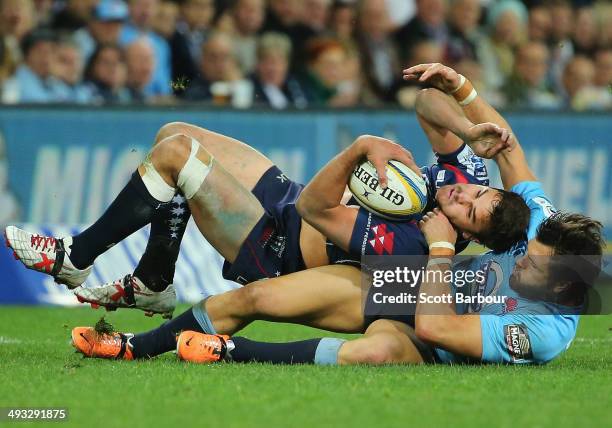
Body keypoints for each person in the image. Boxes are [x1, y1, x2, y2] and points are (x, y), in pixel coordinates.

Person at [71, 64, 603, 367]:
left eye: (534, 268)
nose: (522, 263)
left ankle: (233, 351)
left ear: (561, 289)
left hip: (427, 330)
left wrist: (441, 248)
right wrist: (462, 90)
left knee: (375, 354)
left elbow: (438, 328)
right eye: (529, 252)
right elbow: (506, 148)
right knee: (258, 298)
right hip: (405, 284)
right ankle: (133, 349)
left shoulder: (541, 331)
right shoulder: (542, 228)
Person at [5, 66, 527, 318]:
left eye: (472, 213)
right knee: (171, 132)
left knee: (175, 157)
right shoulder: (466, 180)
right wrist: (464, 128)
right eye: (480, 196)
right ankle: (155, 279)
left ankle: (75, 256)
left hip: (275, 246)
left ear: (468, 237)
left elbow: (314, 208)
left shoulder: (412, 247)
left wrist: (360, 147)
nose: (464, 199)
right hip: (287, 201)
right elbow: (425, 102)